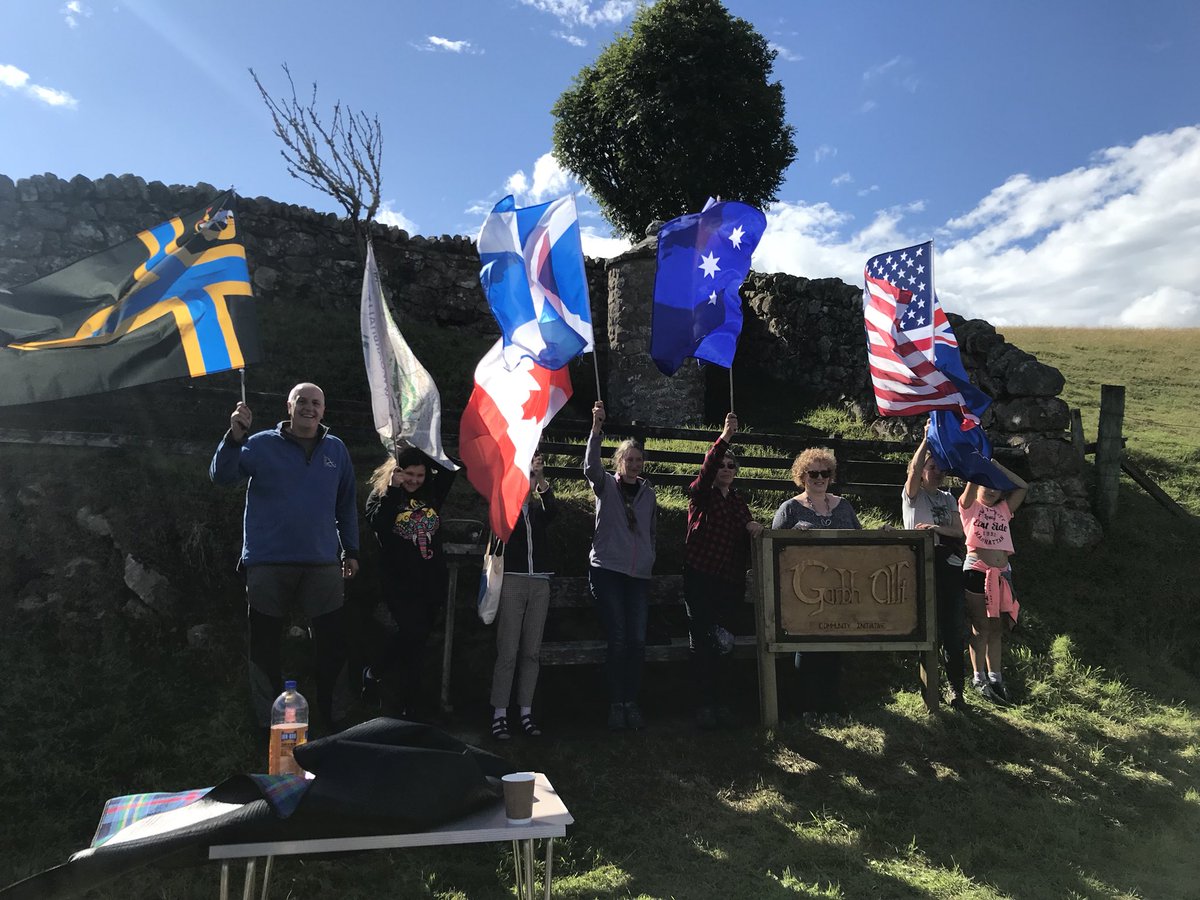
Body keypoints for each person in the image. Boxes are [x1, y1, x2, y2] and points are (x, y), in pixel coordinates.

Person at [209, 383, 359, 733]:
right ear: (289, 406)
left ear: (324, 410)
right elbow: (221, 476)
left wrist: (351, 550)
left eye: (316, 403)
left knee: (332, 642)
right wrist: (233, 437)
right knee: (264, 643)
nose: (309, 408)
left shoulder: (336, 450)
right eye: (302, 401)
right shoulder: (259, 443)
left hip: (323, 562)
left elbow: (346, 504)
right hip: (267, 561)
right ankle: (269, 724)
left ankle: (336, 720)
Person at [363, 446, 457, 719]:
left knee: (418, 643)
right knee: (413, 634)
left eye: (420, 475)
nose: (415, 480)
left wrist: (422, 449)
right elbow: (379, 524)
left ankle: (408, 705)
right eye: (409, 474)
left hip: (430, 581)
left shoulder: (431, 493)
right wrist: (394, 487)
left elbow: (451, 468)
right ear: (396, 472)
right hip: (399, 584)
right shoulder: (380, 496)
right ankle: (379, 675)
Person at [684, 413, 764, 730]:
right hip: (701, 577)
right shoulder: (701, 494)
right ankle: (703, 705)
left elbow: (748, 527)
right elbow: (705, 470)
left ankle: (722, 704)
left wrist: (753, 526)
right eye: (723, 465)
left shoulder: (738, 501)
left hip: (729, 582)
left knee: (725, 643)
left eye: (732, 466)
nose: (727, 469)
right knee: (702, 643)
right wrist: (725, 438)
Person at [585, 400, 657, 731]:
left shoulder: (649, 493)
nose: (635, 464)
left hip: (638, 575)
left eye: (639, 460)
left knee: (638, 641)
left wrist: (649, 556)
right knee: (618, 638)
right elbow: (589, 468)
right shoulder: (606, 486)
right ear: (620, 461)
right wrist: (596, 429)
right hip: (608, 571)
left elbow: (651, 530)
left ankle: (633, 701)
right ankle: (616, 704)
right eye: (629, 459)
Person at [771, 447, 860, 715]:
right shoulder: (789, 508)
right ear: (802, 476)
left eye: (825, 473)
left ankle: (830, 705)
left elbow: (861, 541)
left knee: (834, 649)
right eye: (813, 473)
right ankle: (806, 707)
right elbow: (773, 547)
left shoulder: (844, 506)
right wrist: (792, 536)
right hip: (803, 593)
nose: (819, 478)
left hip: (839, 590)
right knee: (807, 649)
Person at [488, 452, 556, 740]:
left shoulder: (539, 513)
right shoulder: (505, 510)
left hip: (539, 583)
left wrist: (540, 476)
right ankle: (499, 714)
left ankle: (525, 712)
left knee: (531, 652)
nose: (526, 485)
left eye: (529, 479)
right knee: (508, 651)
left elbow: (553, 509)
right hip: (513, 582)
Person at [903, 424, 968, 709]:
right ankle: (931, 692)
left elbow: (959, 533)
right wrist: (927, 440)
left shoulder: (948, 497)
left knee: (953, 630)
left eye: (941, 468)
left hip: (951, 565)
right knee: (927, 630)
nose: (937, 472)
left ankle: (957, 691)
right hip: (921, 565)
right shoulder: (912, 495)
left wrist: (934, 527)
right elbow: (914, 470)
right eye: (932, 467)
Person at [959, 460, 1028, 703]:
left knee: (996, 628)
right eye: (986, 485)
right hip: (977, 571)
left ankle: (996, 677)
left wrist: (997, 467)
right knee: (980, 626)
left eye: (995, 487)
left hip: (1001, 575)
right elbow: (971, 486)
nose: (990, 490)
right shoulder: (970, 506)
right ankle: (978, 677)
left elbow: (1022, 486)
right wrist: (980, 469)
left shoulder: (1003, 510)